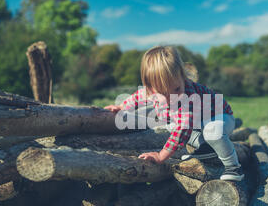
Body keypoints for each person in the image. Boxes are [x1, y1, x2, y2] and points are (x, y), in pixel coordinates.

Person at [104, 45, 244, 181]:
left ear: (183, 77)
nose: (171, 97)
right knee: (170, 124)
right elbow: (138, 97)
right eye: (163, 93)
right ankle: (206, 148)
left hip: (220, 116)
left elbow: (183, 130)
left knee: (212, 131)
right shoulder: (150, 91)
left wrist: (161, 156)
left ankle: (233, 167)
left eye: (177, 89)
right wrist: (121, 107)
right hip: (198, 122)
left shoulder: (188, 97)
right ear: (150, 88)